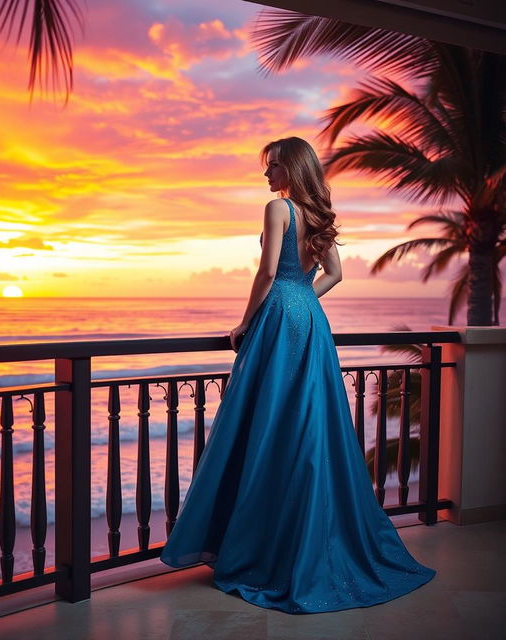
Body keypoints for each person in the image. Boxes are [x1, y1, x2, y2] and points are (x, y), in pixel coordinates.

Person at [159, 136, 436, 614]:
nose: (267, 175)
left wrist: (247, 320)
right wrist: (303, 296)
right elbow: (334, 274)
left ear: (290, 168)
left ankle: (260, 546)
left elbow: (267, 273)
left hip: (278, 319)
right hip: (309, 320)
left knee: (267, 423)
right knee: (308, 427)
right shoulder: (318, 214)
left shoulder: (278, 208)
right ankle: (307, 538)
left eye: (272, 167)